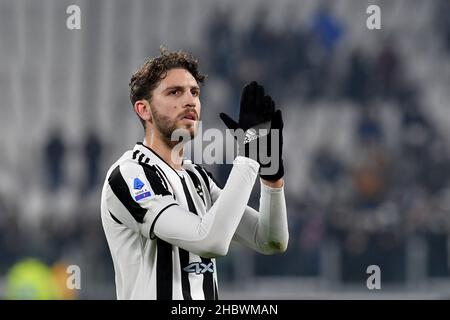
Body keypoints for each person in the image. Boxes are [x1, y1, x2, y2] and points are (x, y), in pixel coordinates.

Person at [100, 48, 289, 300]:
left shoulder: (197, 178)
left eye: (194, 92)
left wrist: (271, 179)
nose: (190, 101)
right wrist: (249, 158)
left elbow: (270, 240)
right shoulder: (129, 174)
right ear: (143, 109)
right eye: (174, 92)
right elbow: (211, 241)